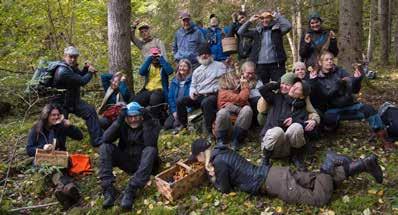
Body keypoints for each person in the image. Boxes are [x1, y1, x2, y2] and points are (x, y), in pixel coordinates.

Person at [189, 139, 383, 207]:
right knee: (315, 180)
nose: (196, 162)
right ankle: (363, 165)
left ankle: (328, 164)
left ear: (200, 154)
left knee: (319, 197)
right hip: (273, 171)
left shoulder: (218, 162)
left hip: (271, 182)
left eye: (195, 158)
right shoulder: (222, 150)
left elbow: (224, 188)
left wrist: (211, 176)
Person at [309, 51, 394, 150]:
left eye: (331, 59)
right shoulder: (317, 78)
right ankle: (332, 128)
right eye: (326, 60)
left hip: (350, 105)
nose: (330, 62)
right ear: (320, 62)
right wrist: (339, 83)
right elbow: (324, 96)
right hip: (333, 109)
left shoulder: (340, 71)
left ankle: (384, 140)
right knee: (328, 119)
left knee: (369, 110)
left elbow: (355, 90)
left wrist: (357, 79)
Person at [99, 102, 160, 210]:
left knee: (150, 150)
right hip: (129, 163)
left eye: (136, 116)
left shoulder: (151, 122)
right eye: (130, 117)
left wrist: (147, 121)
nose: (133, 120)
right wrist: (118, 121)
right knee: (105, 147)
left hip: (147, 165)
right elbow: (105, 138)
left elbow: (150, 143)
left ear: (141, 116)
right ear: (126, 117)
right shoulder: (122, 124)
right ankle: (108, 189)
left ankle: (131, 189)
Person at [26, 103, 83, 209]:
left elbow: (80, 136)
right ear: (46, 115)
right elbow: (29, 149)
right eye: (53, 115)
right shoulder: (37, 128)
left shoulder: (61, 127)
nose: (56, 117)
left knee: (59, 165)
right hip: (43, 161)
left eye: (58, 114)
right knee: (51, 167)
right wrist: (43, 147)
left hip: (61, 158)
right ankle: (68, 188)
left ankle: (62, 190)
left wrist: (70, 126)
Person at [258, 73, 319, 170]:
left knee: (297, 127)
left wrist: (297, 121)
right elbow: (262, 90)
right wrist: (279, 84)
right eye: (293, 86)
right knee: (278, 131)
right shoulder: (277, 97)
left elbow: (310, 129)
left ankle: (296, 158)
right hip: (272, 146)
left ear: (302, 96)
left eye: (298, 88)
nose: (293, 88)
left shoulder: (303, 108)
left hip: (289, 148)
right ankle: (265, 159)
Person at [175, 45, 230, 138]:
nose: (204, 56)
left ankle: (209, 131)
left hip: (214, 95)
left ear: (210, 55)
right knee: (180, 101)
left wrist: (230, 66)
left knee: (206, 102)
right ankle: (183, 126)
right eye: (202, 54)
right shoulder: (197, 71)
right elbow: (193, 85)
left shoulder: (220, 65)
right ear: (198, 57)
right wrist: (192, 93)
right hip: (200, 95)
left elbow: (229, 76)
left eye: (206, 54)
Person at [52, 46, 103, 147]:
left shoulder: (70, 68)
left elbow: (79, 75)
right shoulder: (63, 71)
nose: (73, 59)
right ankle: (59, 149)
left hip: (73, 101)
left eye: (75, 57)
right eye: (70, 57)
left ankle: (98, 140)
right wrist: (90, 72)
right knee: (61, 125)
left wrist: (85, 69)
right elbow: (82, 81)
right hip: (60, 104)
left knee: (90, 111)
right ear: (65, 56)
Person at [237, 10, 292, 84]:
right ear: (260, 20)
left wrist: (277, 15)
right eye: (262, 18)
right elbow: (240, 32)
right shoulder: (256, 31)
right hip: (259, 66)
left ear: (271, 18)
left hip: (277, 65)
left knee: (279, 86)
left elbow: (288, 26)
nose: (265, 20)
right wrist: (250, 21)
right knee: (261, 88)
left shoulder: (278, 30)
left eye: (267, 18)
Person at [215, 72, 253, 150]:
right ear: (229, 80)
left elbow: (246, 106)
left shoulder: (237, 91)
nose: (239, 80)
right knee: (223, 112)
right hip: (226, 127)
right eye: (236, 79)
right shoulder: (223, 93)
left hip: (238, 127)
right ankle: (221, 141)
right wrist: (245, 87)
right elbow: (242, 99)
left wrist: (235, 108)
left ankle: (236, 141)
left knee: (247, 110)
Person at [135, 47, 173, 122]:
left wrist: (161, 59)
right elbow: (141, 72)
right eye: (153, 55)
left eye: (156, 55)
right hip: (148, 90)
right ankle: (139, 120)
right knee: (136, 101)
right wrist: (149, 59)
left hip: (159, 90)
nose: (155, 58)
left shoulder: (163, 65)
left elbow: (170, 71)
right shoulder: (149, 65)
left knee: (154, 100)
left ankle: (154, 121)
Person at [164, 59, 192, 130]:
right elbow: (170, 98)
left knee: (176, 125)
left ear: (189, 68)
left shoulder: (192, 80)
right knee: (167, 125)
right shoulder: (174, 81)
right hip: (176, 109)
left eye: (185, 66)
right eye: (180, 66)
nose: (182, 68)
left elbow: (191, 97)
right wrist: (174, 111)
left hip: (186, 109)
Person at [240, 61, 263, 127]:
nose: (250, 75)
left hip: (252, 101)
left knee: (257, 100)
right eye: (248, 73)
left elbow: (259, 95)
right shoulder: (237, 80)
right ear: (243, 71)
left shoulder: (257, 80)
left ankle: (255, 124)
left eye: (252, 73)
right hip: (239, 101)